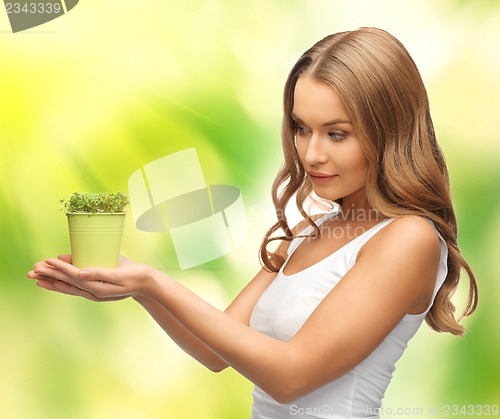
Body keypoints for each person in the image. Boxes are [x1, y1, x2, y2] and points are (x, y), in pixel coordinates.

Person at [27, 27, 478, 418]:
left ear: (390, 131)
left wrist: (153, 282)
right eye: (302, 128)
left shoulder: (409, 239)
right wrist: (138, 286)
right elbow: (215, 350)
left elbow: (290, 375)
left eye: (336, 133)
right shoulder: (314, 226)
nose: (311, 153)